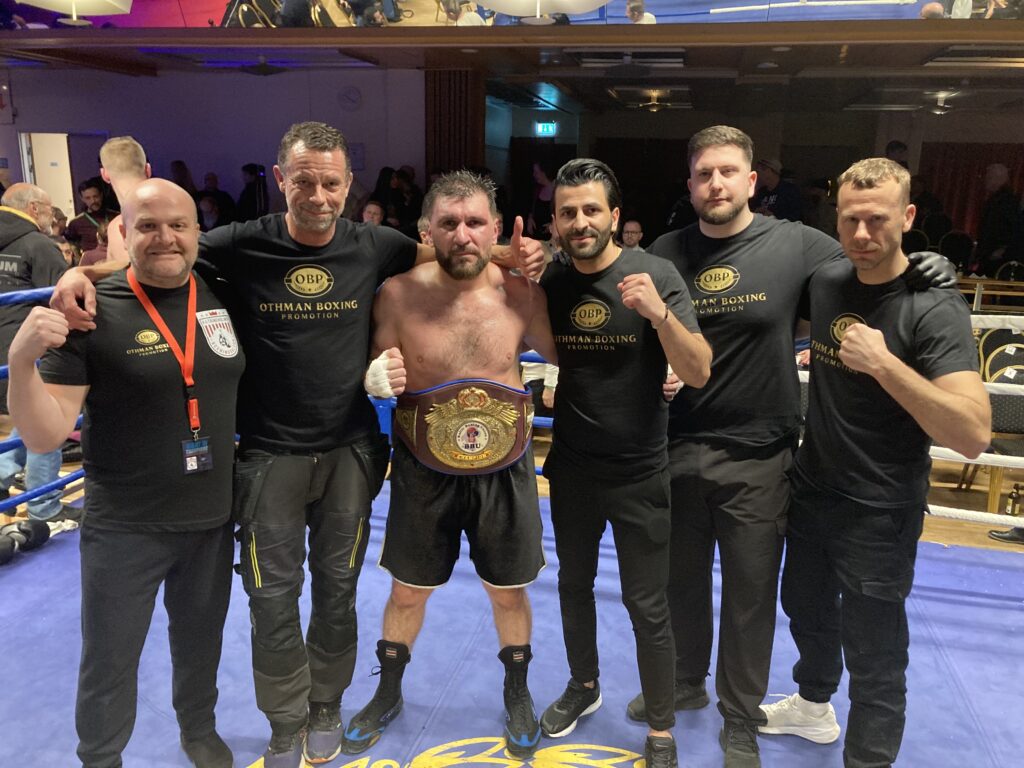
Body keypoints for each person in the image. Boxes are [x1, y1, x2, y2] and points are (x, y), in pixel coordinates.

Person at [50, 122, 546, 768]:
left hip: (349, 452)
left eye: (331, 182)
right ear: (281, 178)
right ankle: (286, 721)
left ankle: (326, 706)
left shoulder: (377, 245)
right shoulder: (241, 243)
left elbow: (455, 251)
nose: (317, 195)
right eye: (304, 181)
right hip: (268, 453)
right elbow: (163, 250)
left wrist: (515, 255)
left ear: (348, 184)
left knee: (338, 592)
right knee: (271, 598)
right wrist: (81, 274)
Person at [631, 125, 957, 768]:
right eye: (703, 174)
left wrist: (928, 266)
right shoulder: (666, 251)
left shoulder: (800, 244)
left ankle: (740, 716)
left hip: (761, 453)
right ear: (690, 184)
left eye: (728, 171)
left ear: (752, 181)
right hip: (679, 443)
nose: (716, 184)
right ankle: (687, 682)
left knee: (751, 597)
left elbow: (870, 267)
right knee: (680, 585)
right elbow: (639, 323)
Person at [759, 157, 990, 768]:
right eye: (850, 220)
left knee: (875, 649)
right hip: (814, 489)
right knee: (806, 610)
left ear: (908, 216)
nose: (862, 234)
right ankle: (813, 708)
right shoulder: (828, 280)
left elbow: (972, 435)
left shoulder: (934, 307)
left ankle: (868, 760)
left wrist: (886, 366)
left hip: (881, 508)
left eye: (879, 220)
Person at [7, 178, 244, 768]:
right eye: (148, 226)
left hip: (210, 517)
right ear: (124, 232)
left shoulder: (222, 291)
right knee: (110, 659)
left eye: (178, 225)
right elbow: (44, 435)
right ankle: (101, 757)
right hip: (125, 526)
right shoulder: (91, 311)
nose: (165, 238)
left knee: (200, 643)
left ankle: (198, 730)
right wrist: (20, 361)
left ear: (197, 231)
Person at [342, 170, 557, 759]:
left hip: (505, 468)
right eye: (449, 223)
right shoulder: (396, 294)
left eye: (475, 222)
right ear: (426, 230)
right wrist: (372, 378)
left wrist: (656, 367)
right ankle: (388, 691)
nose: (463, 235)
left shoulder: (523, 293)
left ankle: (517, 691)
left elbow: (577, 353)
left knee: (508, 592)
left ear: (496, 229)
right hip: (422, 466)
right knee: (408, 591)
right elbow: (366, 365)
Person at [537, 159, 712, 768]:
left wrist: (660, 316)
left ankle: (661, 728)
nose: (579, 222)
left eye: (591, 210)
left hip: (640, 471)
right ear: (555, 222)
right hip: (573, 468)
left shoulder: (655, 273)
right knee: (572, 585)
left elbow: (697, 371)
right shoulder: (553, 279)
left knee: (646, 603)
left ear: (615, 216)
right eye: (567, 212)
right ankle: (583, 685)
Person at [0, 182, 75, 524]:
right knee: (51, 418)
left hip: (7, 347)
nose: (51, 216)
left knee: (29, 419)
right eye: (47, 209)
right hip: (33, 346)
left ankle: (2, 477)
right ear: (32, 209)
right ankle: (45, 505)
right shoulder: (38, 244)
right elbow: (65, 297)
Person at [97, 136, 152, 262]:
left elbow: (118, 273)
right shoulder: (179, 212)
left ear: (104, 175)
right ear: (148, 169)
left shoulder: (116, 228)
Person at [64, 177, 117, 253]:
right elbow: (72, 246)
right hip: (91, 259)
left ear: (101, 195)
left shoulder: (115, 217)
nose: (93, 201)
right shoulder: (75, 223)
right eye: (88, 198)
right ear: (82, 199)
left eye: (95, 196)